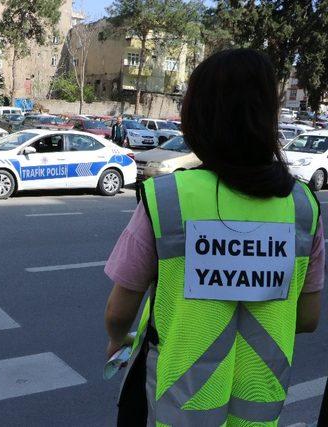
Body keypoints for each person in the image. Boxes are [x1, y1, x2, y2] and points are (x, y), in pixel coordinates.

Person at [104, 49, 324, 425]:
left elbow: (119, 310)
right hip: (258, 406)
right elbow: (307, 318)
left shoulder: (168, 199)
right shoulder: (303, 206)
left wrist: (117, 338)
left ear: (198, 116)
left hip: (177, 407)